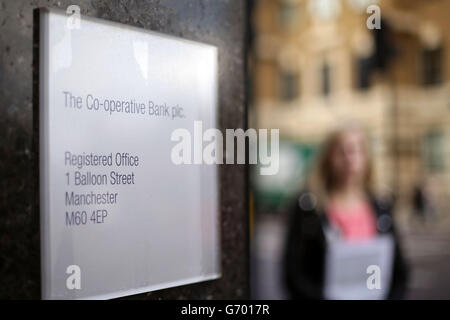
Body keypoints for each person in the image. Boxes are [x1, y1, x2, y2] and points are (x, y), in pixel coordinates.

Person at [283, 125, 409, 299]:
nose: (349, 158)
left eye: (356, 150)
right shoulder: (309, 208)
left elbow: (398, 271)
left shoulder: (381, 206)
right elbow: (294, 275)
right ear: (328, 158)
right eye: (341, 151)